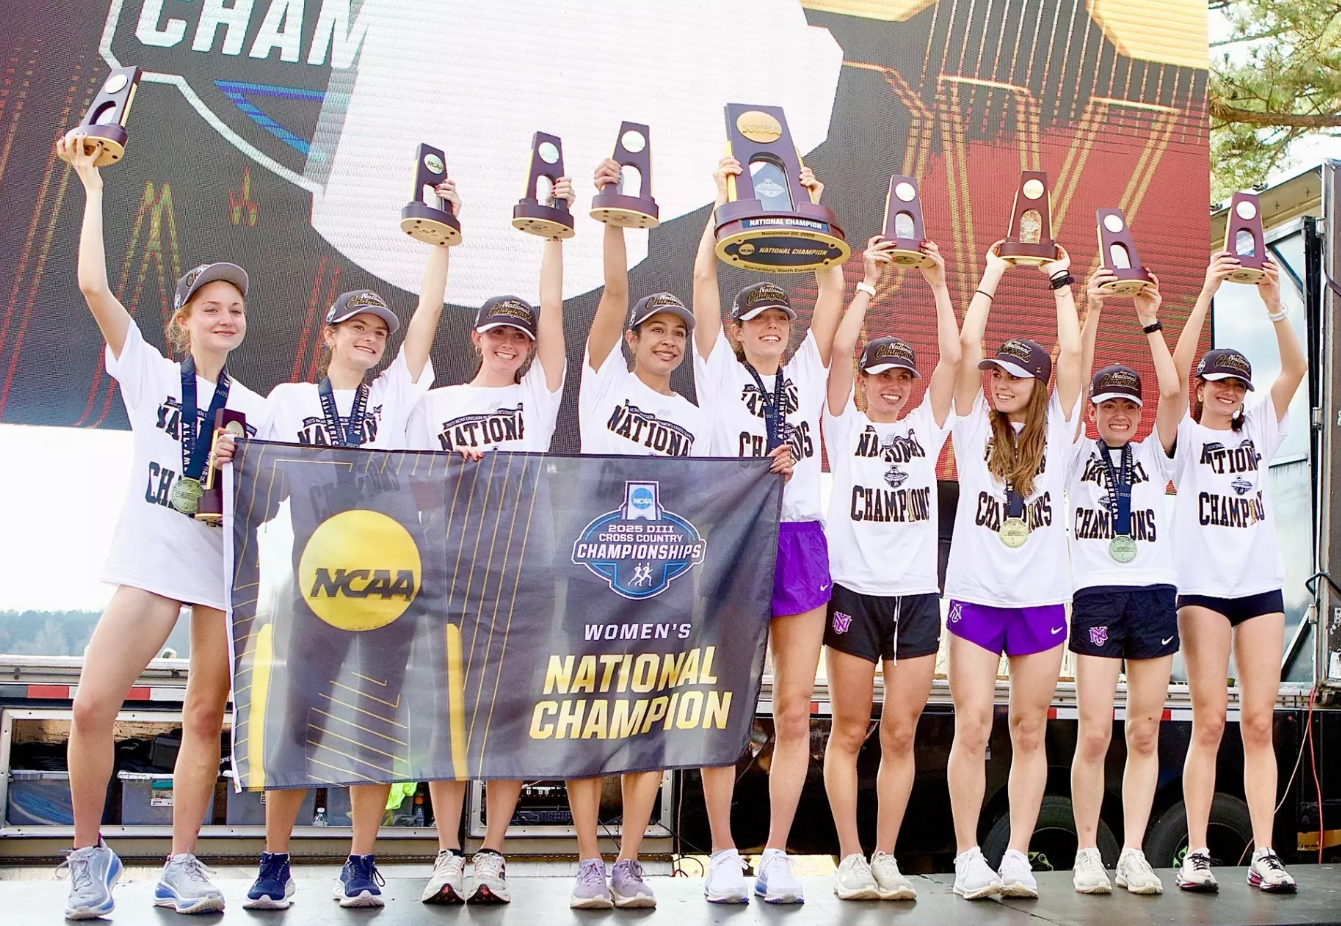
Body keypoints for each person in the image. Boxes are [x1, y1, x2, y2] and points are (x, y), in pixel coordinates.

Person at [56, 133, 271, 918]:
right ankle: (88, 855)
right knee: (89, 707)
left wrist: (233, 458)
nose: (226, 317)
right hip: (152, 559)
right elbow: (90, 286)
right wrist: (92, 187)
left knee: (205, 718)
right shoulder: (147, 368)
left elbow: (269, 497)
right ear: (183, 320)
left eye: (236, 309)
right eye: (211, 307)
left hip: (216, 569)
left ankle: (183, 862)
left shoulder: (257, 403)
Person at [238, 180, 458, 910]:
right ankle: (275, 861)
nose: (368, 339)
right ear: (328, 334)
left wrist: (439, 244)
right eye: (354, 328)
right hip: (312, 587)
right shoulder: (289, 401)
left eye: (377, 333)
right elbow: (252, 477)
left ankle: (361, 861)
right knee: (298, 722)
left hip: (389, 587)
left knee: (375, 720)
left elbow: (427, 318)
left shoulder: (395, 396)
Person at [567, 159, 775, 910]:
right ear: (628, 340)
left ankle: (629, 860)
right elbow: (615, 289)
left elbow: (718, 495)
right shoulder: (602, 382)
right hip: (594, 568)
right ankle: (587, 860)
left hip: (658, 583)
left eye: (676, 334)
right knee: (590, 718)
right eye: (654, 331)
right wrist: (615, 215)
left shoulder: (694, 419)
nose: (668, 341)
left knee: (648, 723)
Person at [408, 178, 570, 907]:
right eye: (497, 333)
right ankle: (446, 850)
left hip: (520, 574)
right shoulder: (436, 403)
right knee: (446, 721)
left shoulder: (536, 400)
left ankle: (494, 853)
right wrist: (448, 477)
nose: (508, 344)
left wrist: (554, 237)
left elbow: (558, 316)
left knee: (508, 720)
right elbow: (406, 492)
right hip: (447, 573)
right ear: (475, 339)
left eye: (520, 337)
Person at [691, 156, 843, 904]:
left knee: (791, 709)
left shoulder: (807, 371)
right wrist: (718, 212)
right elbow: (698, 288)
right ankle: (722, 852)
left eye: (780, 321)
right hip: (735, 540)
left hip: (800, 537)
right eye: (759, 322)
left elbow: (836, 293)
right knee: (722, 703)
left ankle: (776, 853)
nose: (773, 331)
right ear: (736, 331)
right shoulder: (718, 373)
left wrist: (816, 212)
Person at [821, 235, 960, 901]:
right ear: (865, 385)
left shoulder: (924, 429)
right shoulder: (844, 424)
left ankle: (883, 856)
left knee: (900, 732)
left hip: (914, 598)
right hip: (855, 591)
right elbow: (841, 350)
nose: (892, 388)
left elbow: (954, 360)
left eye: (901, 379)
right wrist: (868, 284)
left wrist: (937, 284)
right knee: (849, 730)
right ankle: (848, 857)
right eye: (882, 378)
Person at [943, 241, 1082, 900]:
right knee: (971, 725)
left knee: (1028, 729)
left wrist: (1059, 281)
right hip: (976, 595)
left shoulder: (1060, 425)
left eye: (1013, 375)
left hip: (1039, 601)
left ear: (1039, 383)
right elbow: (963, 351)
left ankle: (1018, 856)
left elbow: (1074, 355)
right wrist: (995, 271)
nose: (998, 382)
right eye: (996, 373)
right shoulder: (971, 425)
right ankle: (968, 855)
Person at [1170, 251, 1307, 894]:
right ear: (1201, 388)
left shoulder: (1261, 430)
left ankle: (1264, 852)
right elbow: (1170, 377)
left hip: (1258, 590)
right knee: (1210, 721)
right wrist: (1207, 288)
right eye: (1217, 383)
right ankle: (1195, 851)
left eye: (1236, 386)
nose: (1227, 393)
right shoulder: (1186, 438)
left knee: (1258, 721)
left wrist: (1274, 299)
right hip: (1202, 591)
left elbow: (1298, 367)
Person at [1065, 268, 1182, 895]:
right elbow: (1073, 373)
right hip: (1096, 593)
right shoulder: (1073, 453)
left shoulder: (1158, 452)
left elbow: (1171, 390)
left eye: (1125, 406)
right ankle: (1088, 851)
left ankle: (1133, 851)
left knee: (1143, 729)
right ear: (1093, 411)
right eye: (1107, 405)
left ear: (1136, 414)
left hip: (1155, 592)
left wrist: (1149, 318)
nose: (1117, 414)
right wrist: (1089, 308)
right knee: (1095, 730)